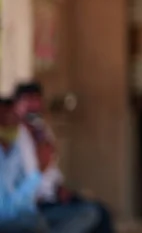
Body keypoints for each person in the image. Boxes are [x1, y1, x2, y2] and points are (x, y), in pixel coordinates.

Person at [13, 83, 115, 233]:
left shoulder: (42, 130)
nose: (33, 105)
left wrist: (59, 187)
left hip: (53, 197)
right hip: (34, 205)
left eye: (36, 99)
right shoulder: (15, 137)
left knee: (102, 212)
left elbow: (52, 168)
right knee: (89, 214)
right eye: (28, 100)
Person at [0, 98, 98, 233]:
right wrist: (39, 172)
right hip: (15, 218)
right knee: (38, 224)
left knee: (91, 213)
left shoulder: (16, 150)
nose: (11, 124)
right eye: (5, 120)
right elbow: (6, 210)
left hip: (37, 209)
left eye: (14, 119)